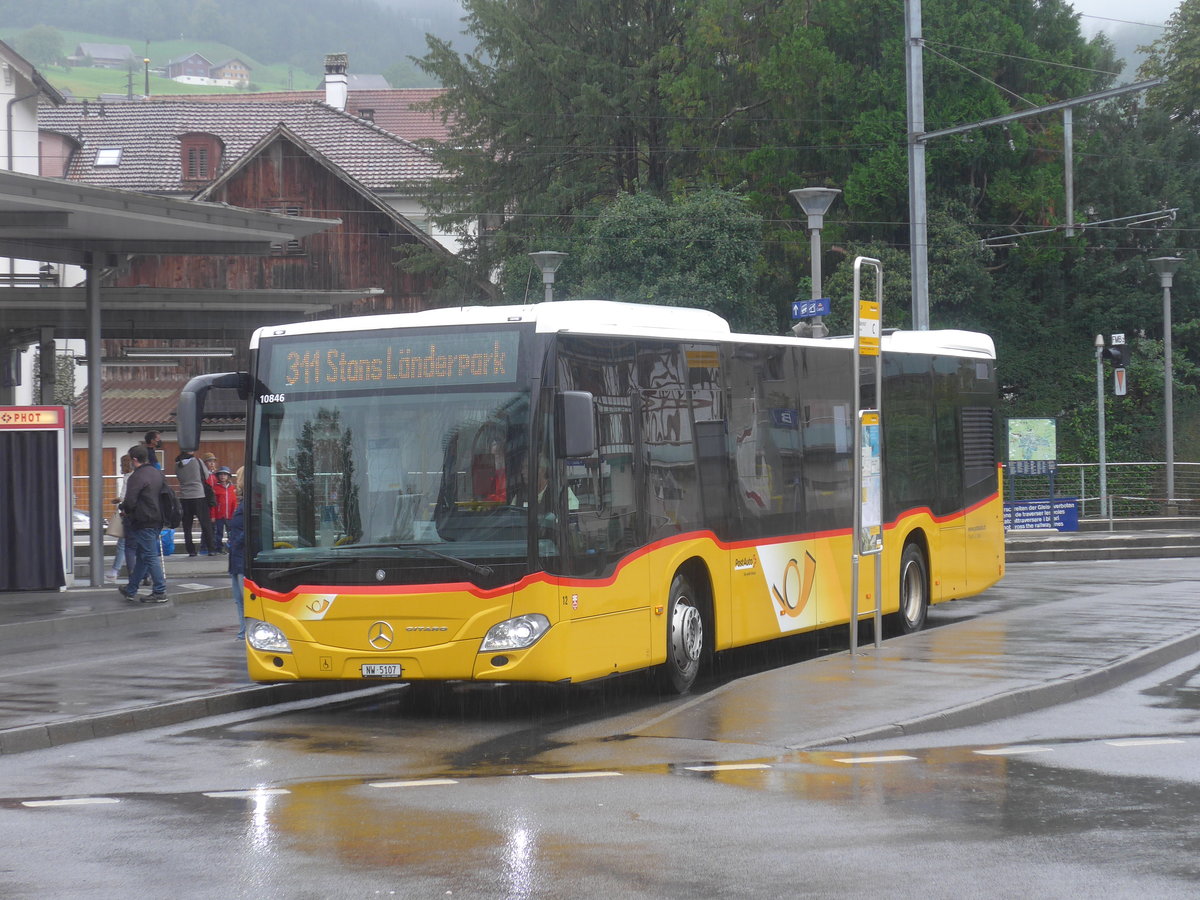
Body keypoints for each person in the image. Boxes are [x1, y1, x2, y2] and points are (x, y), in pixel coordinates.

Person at [117, 445, 168, 603]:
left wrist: (122, 507)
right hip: (157, 519)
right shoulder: (156, 473)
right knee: (142, 556)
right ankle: (131, 589)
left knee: (150, 556)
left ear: (134, 459)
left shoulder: (137, 476)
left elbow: (130, 501)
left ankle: (160, 591)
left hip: (143, 520)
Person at [175, 450, 216, 556]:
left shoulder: (177, 464)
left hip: (184, 497)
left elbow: (179, 478)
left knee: (187, 527)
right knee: (205, 524)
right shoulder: (197, 461)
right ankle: (211, 549)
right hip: (199, 496)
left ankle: (191, 551)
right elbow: (206, 476)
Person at [227, 466, 246, 640]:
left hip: (241, 558)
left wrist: (234, 543)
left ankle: (245, 632)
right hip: (236, 558)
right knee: (239, 599)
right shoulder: (243, 503)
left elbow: (247, 530)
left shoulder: (248, 504)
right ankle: (243, 631)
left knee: (243, 600)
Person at [210, 466, 237, 553]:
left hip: (230, 515)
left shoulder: (232, 488)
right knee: (218, 533)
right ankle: (219, 548)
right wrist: (213, 515)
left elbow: (234, 502)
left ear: (228, 476)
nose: (223, 476)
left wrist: (234, 514)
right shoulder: (215, 488)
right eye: (221, 474)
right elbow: (213, 504)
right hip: (219, 515)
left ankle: (231, 547)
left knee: (231, 532)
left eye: (225, 474)